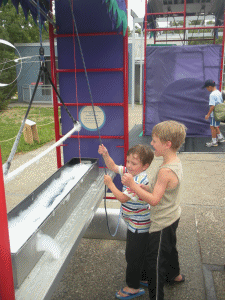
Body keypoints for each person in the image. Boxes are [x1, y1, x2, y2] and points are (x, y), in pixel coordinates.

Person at [121, 120, 186, 300]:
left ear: (167, 144)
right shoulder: (173, 161)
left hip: (162, 222)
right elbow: (158, 190)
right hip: (173, 215)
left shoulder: (165, 170)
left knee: (154, 264)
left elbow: (155, 201)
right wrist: (142, 187)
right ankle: (175, 275)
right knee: (170, 248)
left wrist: (133, 185)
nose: (151, 143)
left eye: (155, 141)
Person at [98, 144, 154, 300]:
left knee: (133, 256)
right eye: (128, 161)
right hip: (134, 223)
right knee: (140, 254)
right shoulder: (130, 172)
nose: (128, 166)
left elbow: (122, 198)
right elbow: (114, 166)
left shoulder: (139, 179)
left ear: (145, 166)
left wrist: (110, 184)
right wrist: (105, 153)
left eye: (133, 163)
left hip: (139, 225)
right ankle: (143, 277)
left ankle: (133, 287)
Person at [203, 79, 225, 147]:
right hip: (219, 113)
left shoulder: (212, 95)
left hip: (214, 114)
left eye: (206, 87)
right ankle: (220, 138)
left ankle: (214, 142)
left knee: (212, 127)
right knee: (215, 126)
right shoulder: (218, 92)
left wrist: (208, 115)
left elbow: (212, 106)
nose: (206, 89)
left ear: (210, 86)